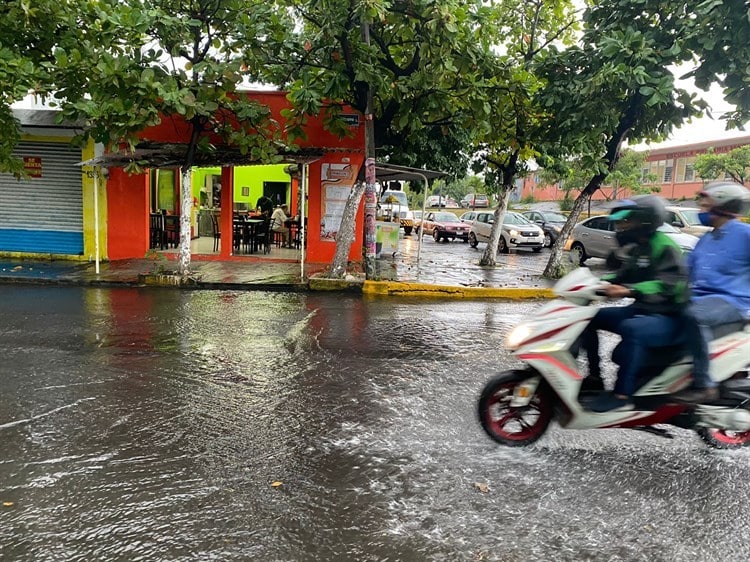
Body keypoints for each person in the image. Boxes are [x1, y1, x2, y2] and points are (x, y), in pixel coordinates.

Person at [581, 195, 690, 412]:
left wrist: (629, 290)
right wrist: (596, 283)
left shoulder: (665, 247)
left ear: (645, 221)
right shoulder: (640, 246)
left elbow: (669, 285)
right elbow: (624, 274)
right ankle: (595, 378)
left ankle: (622, 395)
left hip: (668, 317)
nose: (621, 227)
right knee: (588, 318)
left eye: (626, 221)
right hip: (644, 310)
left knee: (633, 330)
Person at [672, 181, 750, 402]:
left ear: (723, 207)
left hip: (733, 301)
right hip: (701, 299)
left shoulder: (745, 234)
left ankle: (704, 384)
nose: (701, 211)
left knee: (694, 317)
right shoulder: (705, 239)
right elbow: (686, 273)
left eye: (705, 206)